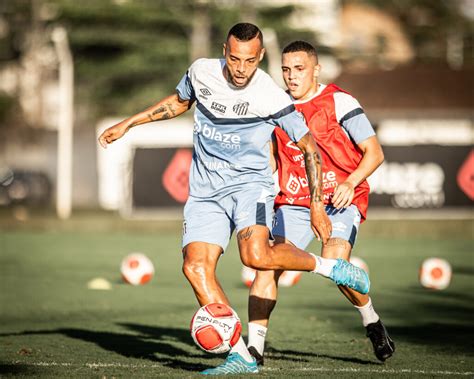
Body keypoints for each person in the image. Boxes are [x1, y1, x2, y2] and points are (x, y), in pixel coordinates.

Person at [99, 25, 370, 375]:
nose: (242, 68)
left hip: (250, 187)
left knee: (255, 256)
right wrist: (129, 123)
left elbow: (309, 148)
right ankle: (241, 356)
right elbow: (179, 101)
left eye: (250, 61)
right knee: (195, 268)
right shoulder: (201, 72)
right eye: (235, 58)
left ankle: (332, 268)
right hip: (205, 192)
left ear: (260, 57)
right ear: (223, 51)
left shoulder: (270, 95)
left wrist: (317, 205)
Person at [247, 40, 395, 365]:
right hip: (294, 201)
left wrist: (350, 181)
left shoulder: (339, 101)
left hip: (340, 199)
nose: (291, 77)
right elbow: (271, 160)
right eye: (286, 70)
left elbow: (375, 152)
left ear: (316, 69)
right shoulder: (276, 106)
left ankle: (371, 320)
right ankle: (254, 348)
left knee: (336, 264)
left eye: (299, 69)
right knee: (265, 265)